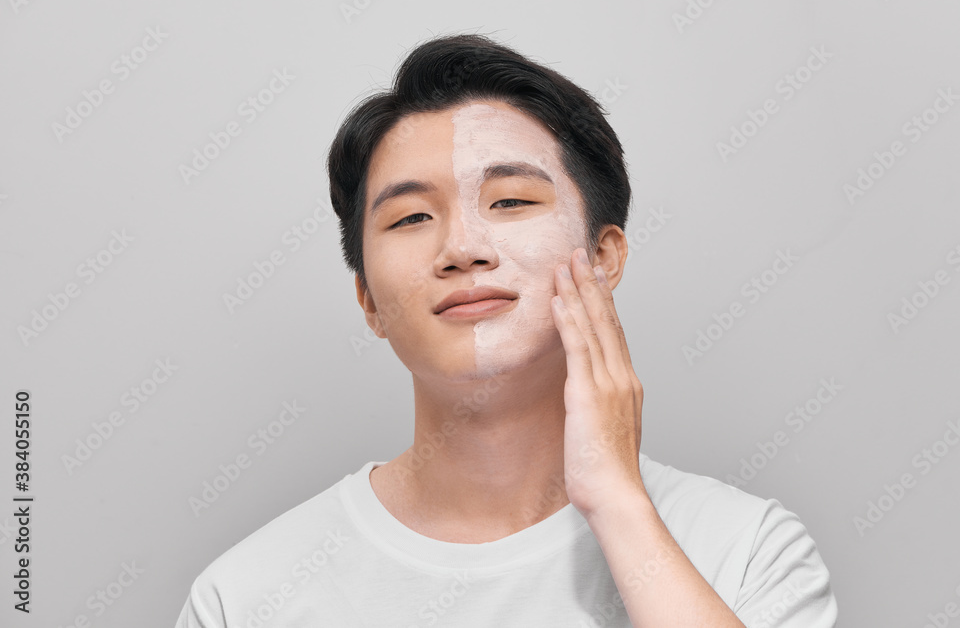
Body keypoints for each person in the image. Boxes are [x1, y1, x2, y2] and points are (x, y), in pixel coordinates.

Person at [174, 33, 837, 627]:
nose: (461, 247)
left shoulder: (746, 550)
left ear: (604, 258)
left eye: (511, 201)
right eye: (409, 218)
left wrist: (618, 506)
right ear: (367, 299)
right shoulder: (245, 597)